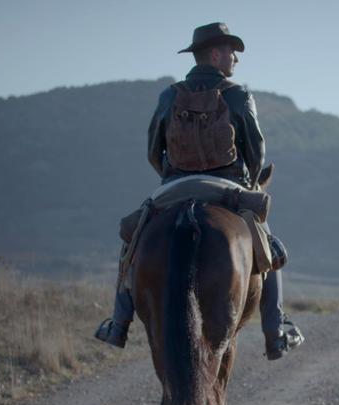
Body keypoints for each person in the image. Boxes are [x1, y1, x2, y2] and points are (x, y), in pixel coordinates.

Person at [95, 22, 303, 360]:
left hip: (174, 186)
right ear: (216, 54)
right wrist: (247, 185)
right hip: (229, 187)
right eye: (232, 52)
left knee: (131, 244)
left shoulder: (168, 96)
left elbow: (153, 149)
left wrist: (173, 178)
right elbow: (257, 152)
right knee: (267, 249)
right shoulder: (237, 95)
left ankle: (118, 323)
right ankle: (275, 331)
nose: (236, 59)